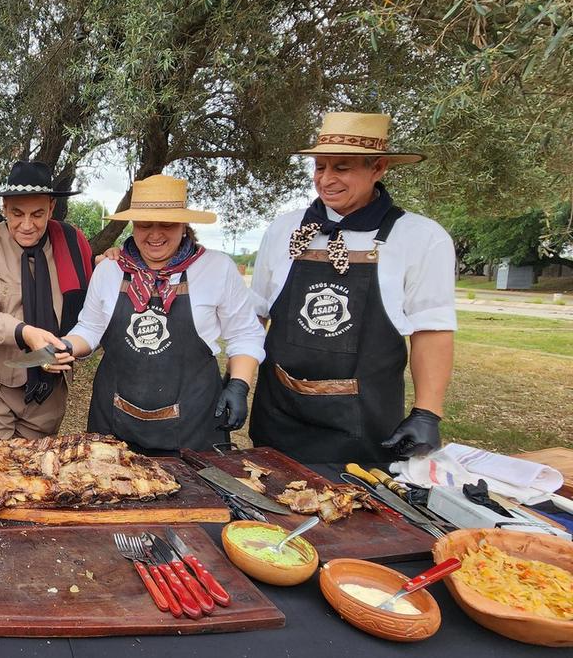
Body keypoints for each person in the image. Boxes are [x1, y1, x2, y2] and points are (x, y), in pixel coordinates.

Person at [249, 112, 456, 463]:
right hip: (279, 414)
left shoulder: (421, 237)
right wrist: (236, 382)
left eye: (341, 168)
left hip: (361, 423)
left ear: (378, 168)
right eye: (319, 167)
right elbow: (255, 316)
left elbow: (431, 330)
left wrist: (427, 413)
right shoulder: (283, 230)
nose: (326, 180)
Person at [63, 175, 265, 453]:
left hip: (193, 423)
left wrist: (239, 384)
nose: (155, 234)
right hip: (115, 418)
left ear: (184, 225)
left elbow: (244, 333)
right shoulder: (109, 270)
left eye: (167, 224)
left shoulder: (217, 268)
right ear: (133, 225)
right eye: (145, 224)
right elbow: (90, 328)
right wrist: (64, 346)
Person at [0, 161, 93, 445]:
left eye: (38, 214)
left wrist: (111, 257)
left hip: (47, 391)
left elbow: (92, 290)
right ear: (4, 207)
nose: (27, 225)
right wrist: (26, 333)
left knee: (33, 473)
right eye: (17, 213)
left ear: (52, 207)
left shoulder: (72, 244)